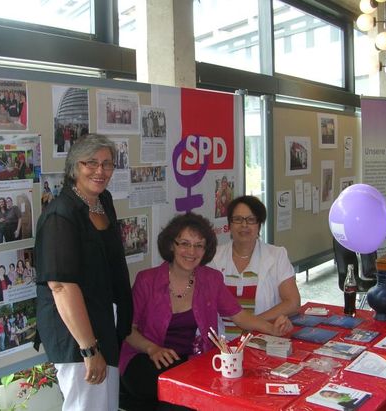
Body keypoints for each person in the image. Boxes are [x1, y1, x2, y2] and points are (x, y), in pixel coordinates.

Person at [119, 212, 293, 411]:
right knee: (176, 398)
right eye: (184, 243)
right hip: (145, 357)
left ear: (206, 250)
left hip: (190, 360)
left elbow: (240, 316)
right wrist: (152, 349)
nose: (191, 251)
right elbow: (128, 329)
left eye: (198, 245)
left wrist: (273, 329)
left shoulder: (211, 279)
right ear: (171, 245)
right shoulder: (146, 280)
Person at [34, 134, 133, 411]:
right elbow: (61, 287)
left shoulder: (103, 202)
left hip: (103, 323)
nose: (100, 171)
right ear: (74, 167)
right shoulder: (60, 215)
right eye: (91, 163)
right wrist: (89, 349)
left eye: (107, 164)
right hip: (77, 335)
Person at [210, 195, 301, 340]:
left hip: (263, 339)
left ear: (259, 225)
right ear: (229, 225)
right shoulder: (213, 258)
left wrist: (253, 323)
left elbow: (293, 303)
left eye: (251, 220)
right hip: (221, 345)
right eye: (238, 219)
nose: (244, 225)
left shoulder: (276, 255)